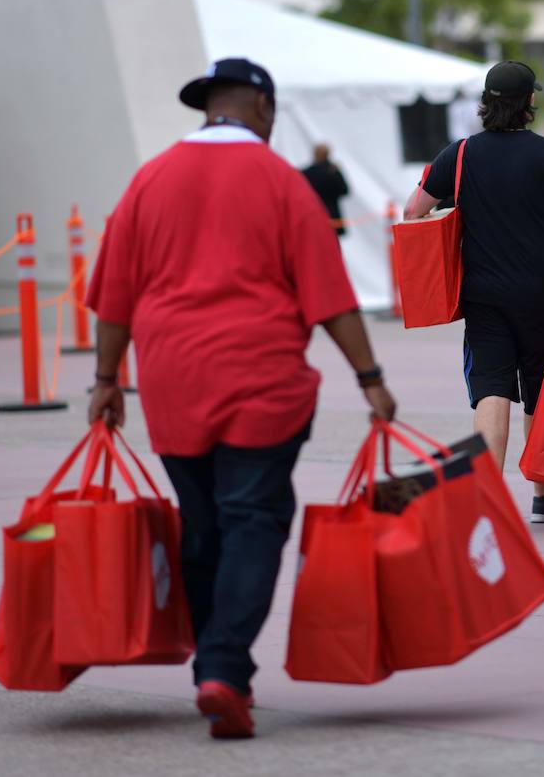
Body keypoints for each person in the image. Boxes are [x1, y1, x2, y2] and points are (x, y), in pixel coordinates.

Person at [85, 58, 397, 740]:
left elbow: (113, 299)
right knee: (254, 516)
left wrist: (106, 382)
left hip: (172, 382)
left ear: (206, 108)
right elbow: (331, 299)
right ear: (262, 108)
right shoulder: (282, 183)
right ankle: (224, 668)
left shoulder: (150, 178)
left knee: (203, 527)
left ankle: (216, 670)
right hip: (261, 380)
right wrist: (371, 380)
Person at [403, 61, 544, 525]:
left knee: (492, 390)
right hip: (543, 296)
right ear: (529, 103)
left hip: (483, 297)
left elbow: (413, 211)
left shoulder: (457, 156)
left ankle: (488, 499)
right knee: (542, 392)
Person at [300, 143, 350, 235]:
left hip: (313, 214)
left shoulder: (307, 173)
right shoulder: (333, 171)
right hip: (331, 215)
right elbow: (345, 190)